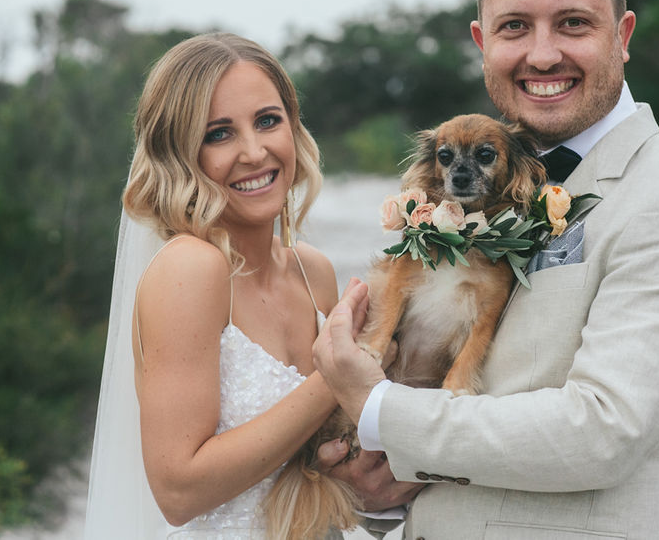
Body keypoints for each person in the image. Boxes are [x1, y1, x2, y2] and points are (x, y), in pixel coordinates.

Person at [312, 0, 659, 539]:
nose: (543, 54)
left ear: (622, 35)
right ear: (483, 40)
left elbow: (603, 432)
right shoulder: (484, 179)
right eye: (516, 26)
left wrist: (381, 409)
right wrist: (379, 488)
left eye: (573, 22)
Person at [83, 32, 416, 539]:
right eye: (219, 134)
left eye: (267, 121)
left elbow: (317, 453)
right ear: (181, 155)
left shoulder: (313, 270)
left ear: (292, 125)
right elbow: (178, 491)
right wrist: (337, 374)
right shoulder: (190, 269)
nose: (255, 151)